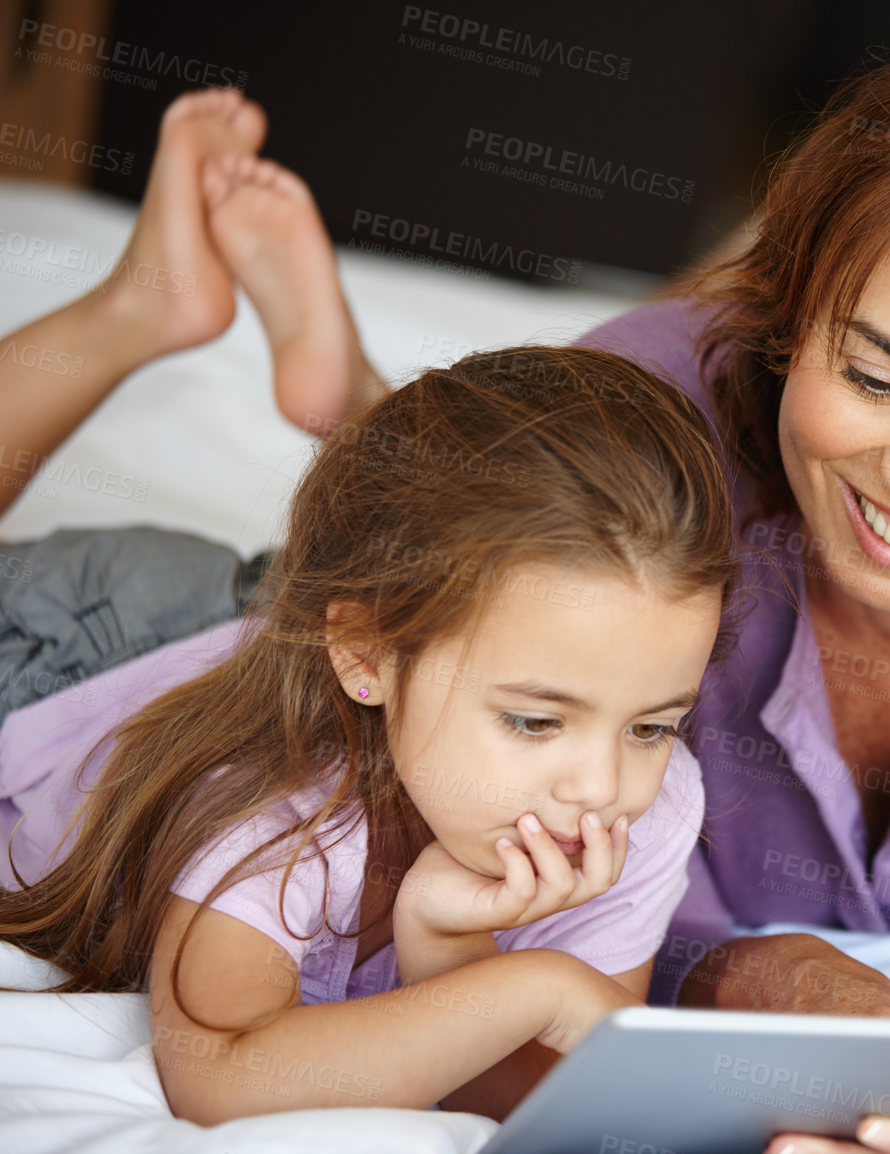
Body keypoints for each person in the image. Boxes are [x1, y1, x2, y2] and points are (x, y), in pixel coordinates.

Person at [0, 12, 890, 1152]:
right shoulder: (663, 413)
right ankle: (207, 333)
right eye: (870, 374)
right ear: (791, 326)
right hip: (247, 611)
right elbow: (427, 542)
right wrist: (752, 986)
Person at [0, 90, 739, 1124]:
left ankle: (344, 394)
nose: (602, 785)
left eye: (654, 723)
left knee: (452, 554)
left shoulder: (645, 807)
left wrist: (451, 948)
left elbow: (544, 1095)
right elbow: (219, 1072)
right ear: (365, 654)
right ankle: (141, 305)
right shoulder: (279, 799)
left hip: (347, 626)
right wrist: (532, 985)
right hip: (81, 649)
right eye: (535, 718)